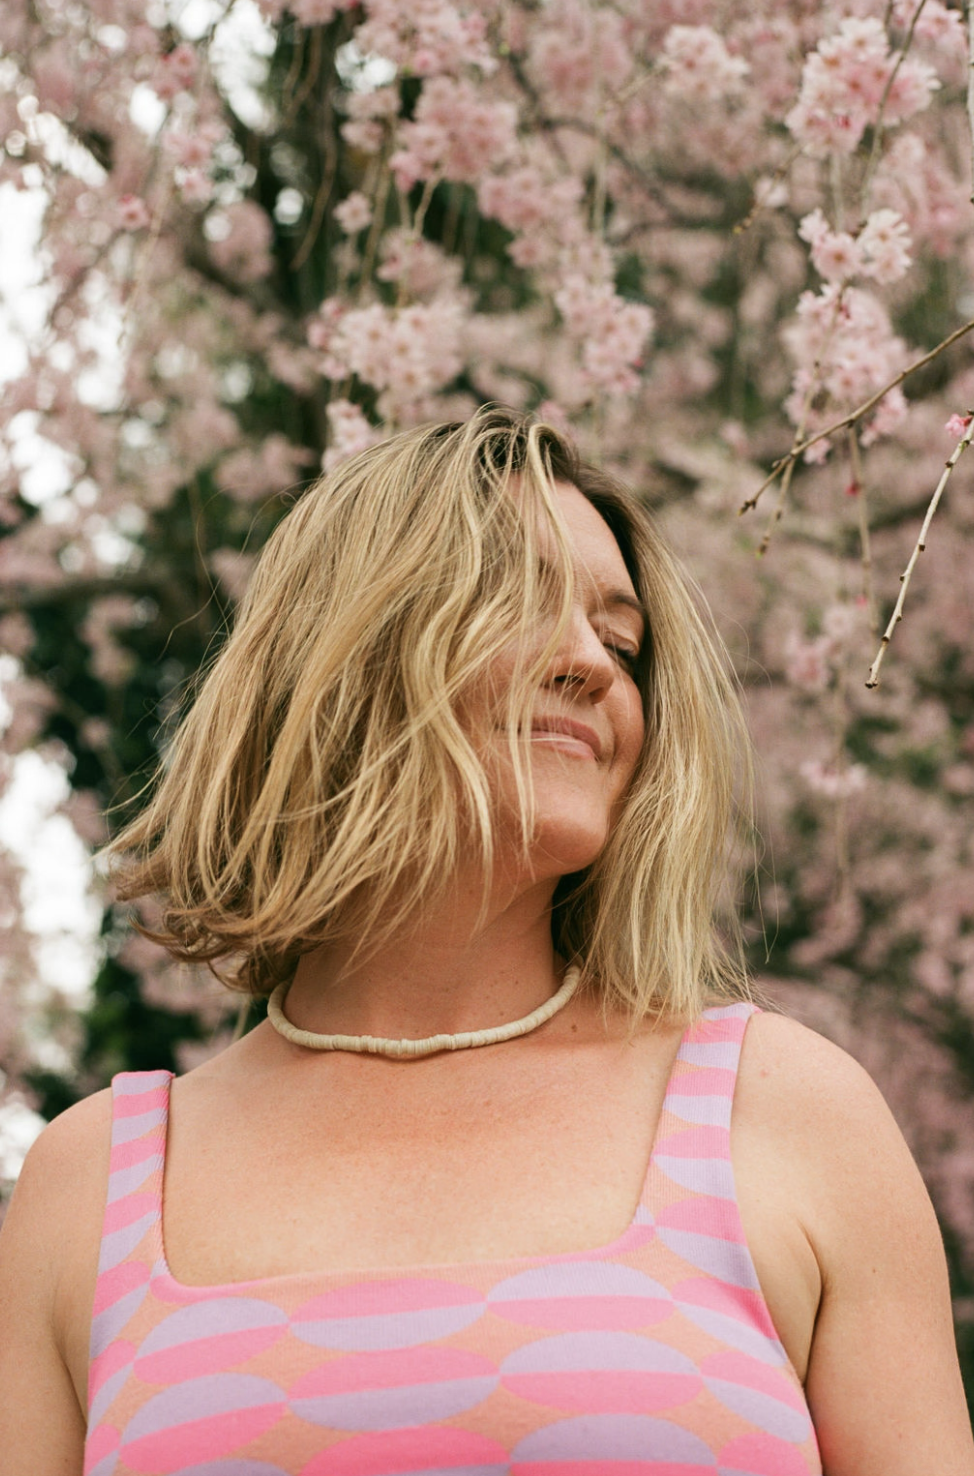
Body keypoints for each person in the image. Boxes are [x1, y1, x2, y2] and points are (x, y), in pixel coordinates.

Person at [0, 407, 971, 1476]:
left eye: (622, 642)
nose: (591, 665)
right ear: (342, 652)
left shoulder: (785, 1114)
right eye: (516, 604)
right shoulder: (91, 1184)